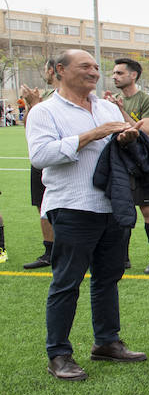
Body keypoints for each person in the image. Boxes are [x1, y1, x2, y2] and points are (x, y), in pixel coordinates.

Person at [27, 50, 146, 381]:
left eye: (96, 67)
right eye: (86, 67)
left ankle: (107, 342)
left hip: (112, 205)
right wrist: (92, 134)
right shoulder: (44, 112)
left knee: (108, 278)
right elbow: (40, 156)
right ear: (60, 71)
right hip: (72, 206)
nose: (94, 72)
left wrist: (127, 137)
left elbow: (123, 150)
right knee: (67, 281)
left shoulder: (107, 107)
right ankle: (59, 353)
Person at [109, 57, 149, 273]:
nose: (115, 76)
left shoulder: (146, 101)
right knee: (121, 210)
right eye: (114, 73)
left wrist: (121, 112)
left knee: (148, 210)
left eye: (120, 73)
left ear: (133, 76)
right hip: (120, 164)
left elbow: (145, 131)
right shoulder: (111, 101)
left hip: (142, 164)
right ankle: (122, 257)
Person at [21, 60, 58, 269]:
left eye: (45, 70)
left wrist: (35, 104)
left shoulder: (60, 98)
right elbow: (29, 125)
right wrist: (31, 105)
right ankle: (50, 251)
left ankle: (61, 250)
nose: (45, 73)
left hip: (53, 159)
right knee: (41, 204)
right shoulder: (47, 98)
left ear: (52, 71)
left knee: (55, 206)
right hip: (39, 157)